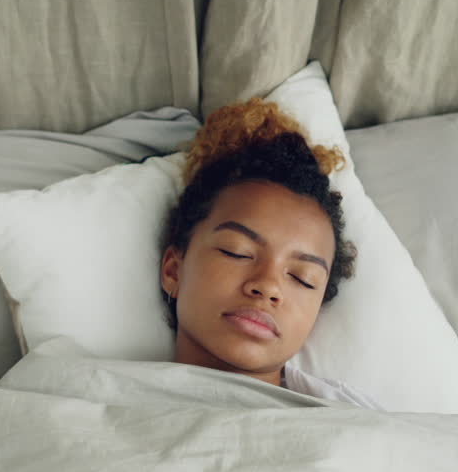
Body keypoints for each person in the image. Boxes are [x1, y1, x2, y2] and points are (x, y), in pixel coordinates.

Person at [158, 98, 379, 409]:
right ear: (173, 270)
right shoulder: (89, 397)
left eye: (303, 279)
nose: (269, 286)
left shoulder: (360, 423)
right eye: (237, 252)